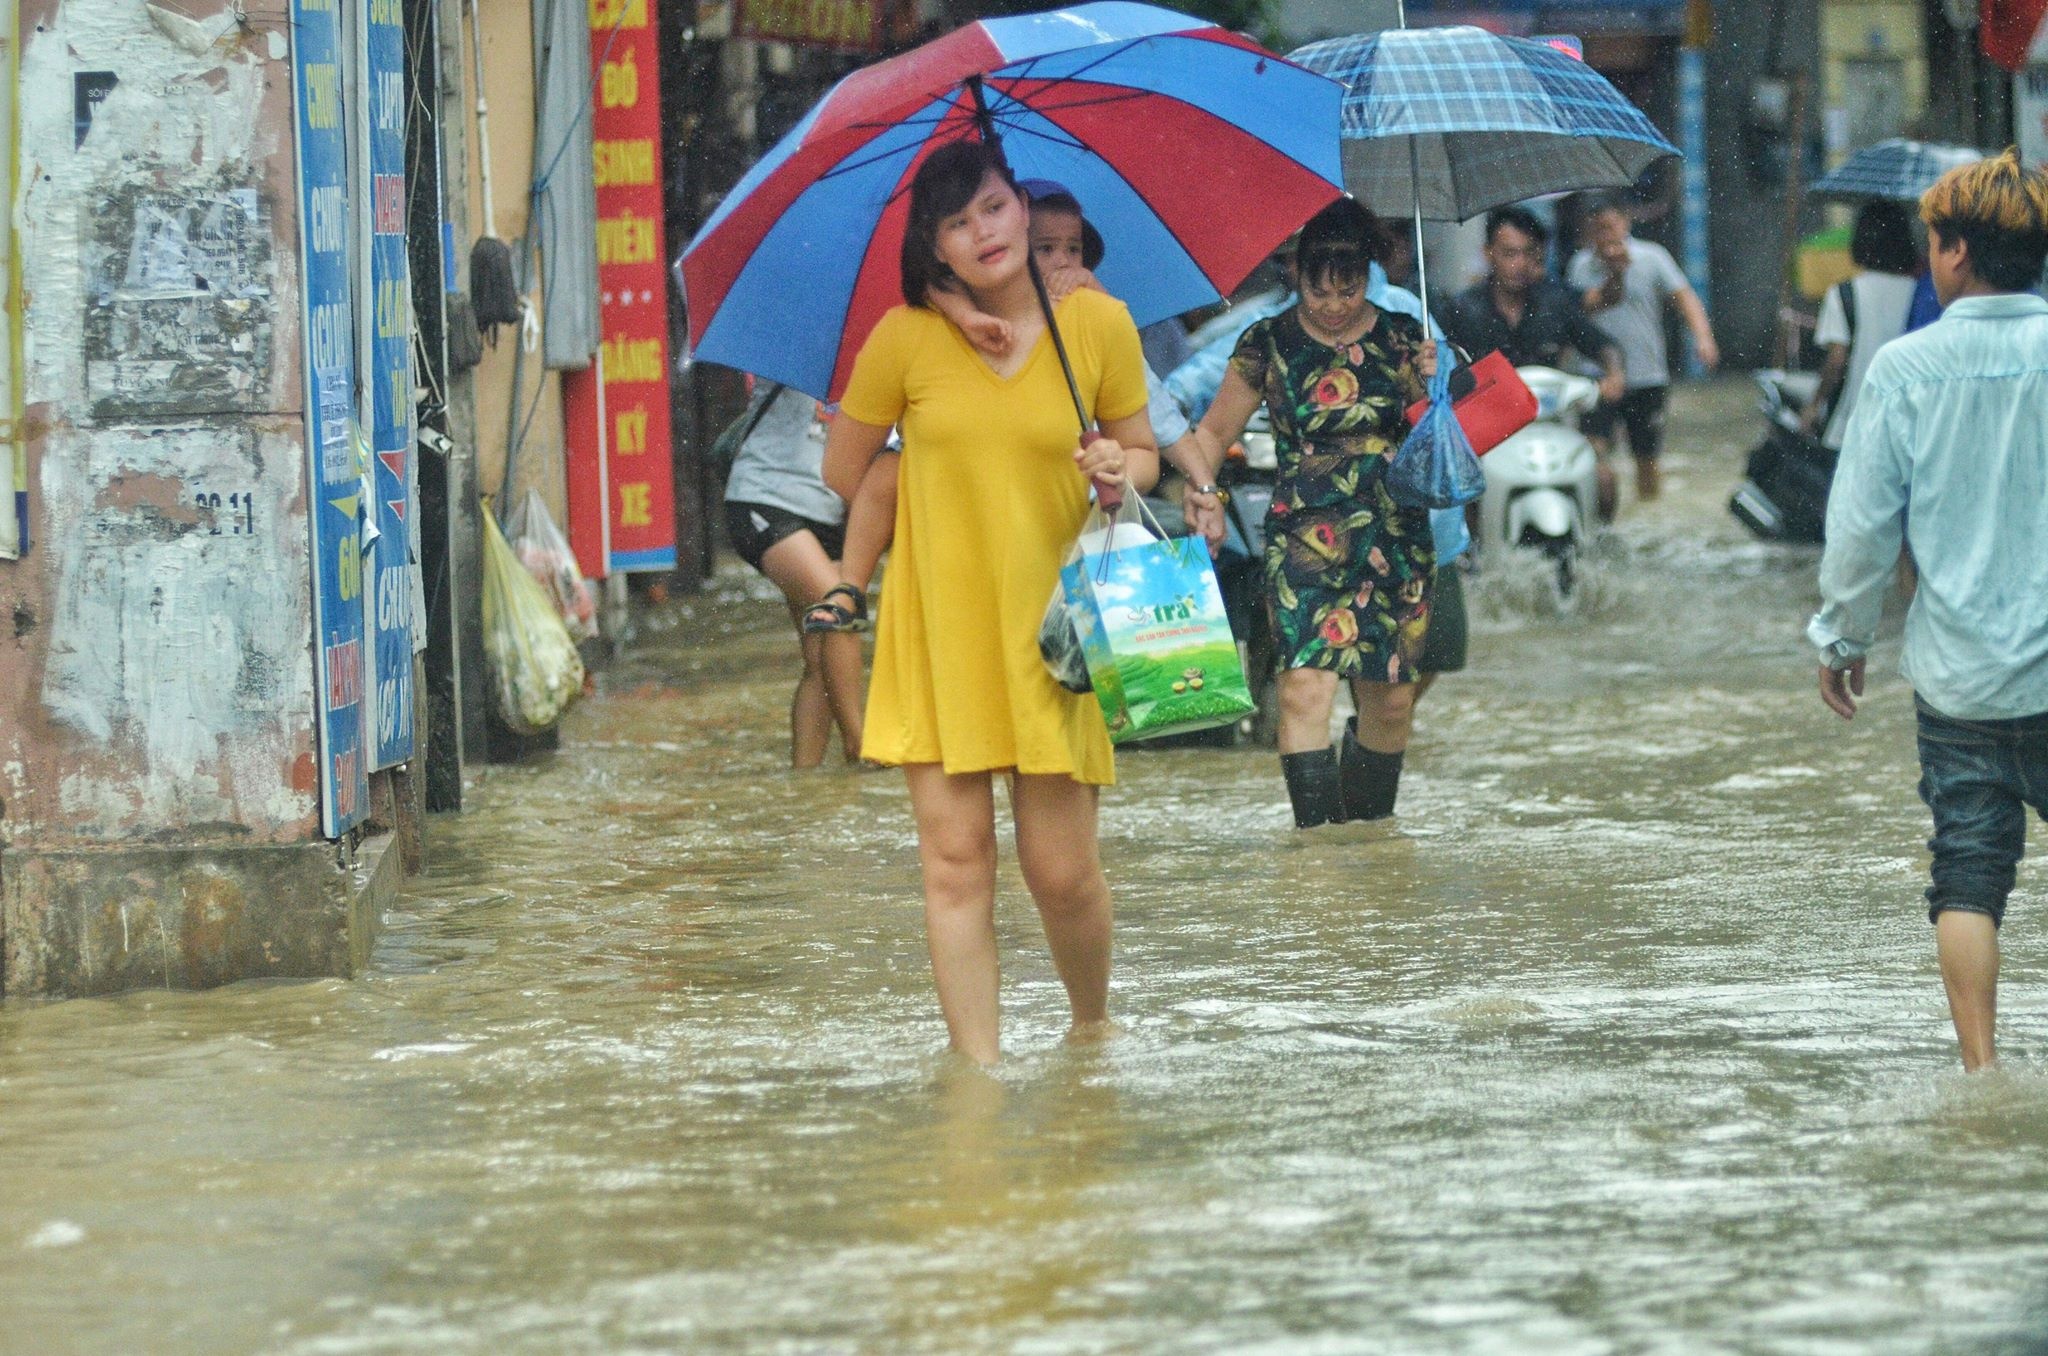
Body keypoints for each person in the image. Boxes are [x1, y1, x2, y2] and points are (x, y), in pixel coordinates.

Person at [820, 140, 1159, 1065]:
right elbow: (845, 471)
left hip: (1057, 629)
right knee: (955, 861)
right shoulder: (903, 339)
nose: (984, 232)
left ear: (1023, 207)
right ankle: (977, 1080)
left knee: (1061, 873)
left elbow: (1144, 454)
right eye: (957, 223)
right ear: (935, 247)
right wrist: (932, 463)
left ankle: (1090, 1033)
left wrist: (1116, 466)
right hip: (942, 628)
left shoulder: (1098, 325)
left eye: (995, 207)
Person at [1809, 149, 2048, 1073]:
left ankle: (1982, 1076)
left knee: (1969, 879)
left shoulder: (1906, 369)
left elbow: (1862, 526)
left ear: (1954, 253)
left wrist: (1842, 636)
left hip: (1960, 684)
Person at [803, 182, 1209, 632]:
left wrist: (1204, 483)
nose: (1063, 263)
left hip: (1068, 515)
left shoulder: (1096, 317)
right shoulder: (941, 322)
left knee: (1083, 647)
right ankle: (850, 585)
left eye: (1074, 250)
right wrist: (965, 316)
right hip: (965, 524)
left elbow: (1152, 410)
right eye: (1046, 249)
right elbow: (932, 285)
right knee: (888, 471)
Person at [1182, 196, 1441, 828]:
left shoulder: (1405, 337)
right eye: (1317, 290)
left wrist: (1435, 386)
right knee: (1303, 687)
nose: (1332, 306)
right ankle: (1319, 848)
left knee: (1391, 700)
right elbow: (1213, 433)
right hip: (1305, 535)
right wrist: (1202, 493)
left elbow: (1441, 441)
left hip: (1394, 534)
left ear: (1369, 275)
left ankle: (1368, 841)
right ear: (1295, 274)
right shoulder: (1266, 342)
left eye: (1348, 291)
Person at [721, 384, 866, 767]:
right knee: (839, 610)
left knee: (819, 659)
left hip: (828, 512)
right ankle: (860, 744)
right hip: (768, 497)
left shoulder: (876, 366)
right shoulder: (793, 353)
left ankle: (804, 778)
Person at [1567, 198, 1720, 510]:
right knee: (1594, 452)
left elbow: (1684, 298)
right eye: (1597, 229)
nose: (1605, 236)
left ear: (1625, 223)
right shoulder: (1580, 266)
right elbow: (1578, 313)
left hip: (1646, 373)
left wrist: (1703, 338)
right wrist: (1614, 274)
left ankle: (1649, 514)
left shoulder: (1652, 257)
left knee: (1646, 457)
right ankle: (1602, 515)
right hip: (1597, 377)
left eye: (1610, 227)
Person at [1439, 206, 1625, 399]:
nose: (1520, 264)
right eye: (1510, 254)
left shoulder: (1553, 302)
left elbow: (1603, 345)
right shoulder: (1462, 309)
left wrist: (1614, 374)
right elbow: (1443, 368)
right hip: (1487, 412)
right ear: (1488, 253)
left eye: (1528, 253)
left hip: (1548, 410)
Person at [1800, 201, 1921, 449]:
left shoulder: (1844, 293)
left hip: (1851, 425)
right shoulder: (1920, 293)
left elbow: (1836, 361)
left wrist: (1814, 405)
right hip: (1906, 427)